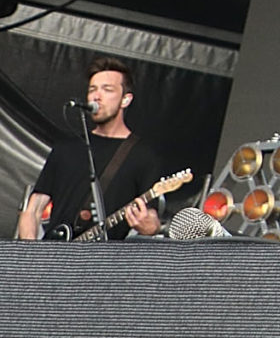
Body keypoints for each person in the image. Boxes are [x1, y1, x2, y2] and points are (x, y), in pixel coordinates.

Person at [16, 57, 169, 241]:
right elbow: (32, 211)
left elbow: (151, 219)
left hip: (103, 264)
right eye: (92, 89)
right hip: (53, 257)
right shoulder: (66, 148)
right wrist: (32, 259)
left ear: (125, 100)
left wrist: (150, 226)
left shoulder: (142, 155)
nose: (97, 96)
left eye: (107, 89)